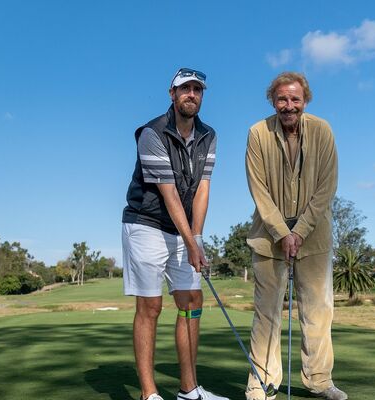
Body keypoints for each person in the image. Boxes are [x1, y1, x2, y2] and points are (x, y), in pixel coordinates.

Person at [121, 67, 227, 400]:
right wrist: (190, 240)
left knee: (191, 301)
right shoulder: (152, 133)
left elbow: (203, 189)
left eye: (197, 89)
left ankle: (189, 389)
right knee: (150, 307)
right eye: (185, 89)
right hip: (146, 224)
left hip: (182, 230)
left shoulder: (209, 136)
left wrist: (196, 238)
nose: (191, 94)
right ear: (172, 94)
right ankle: (149, 394)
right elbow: (167, 193)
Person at [244, 72, 347, 400]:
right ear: (273, 100)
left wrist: (299, 231)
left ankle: (319, 381)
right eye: (282, 99)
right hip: (268, 236)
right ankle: (262, 384)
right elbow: (258, 190)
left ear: (306, 100)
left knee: (317, 310)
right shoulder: (257, 134)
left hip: (314, 236)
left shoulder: (323, 131)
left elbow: (326, 188)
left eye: (295, 99)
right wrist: (282, 232)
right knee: (266, 314)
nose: (289, 106)